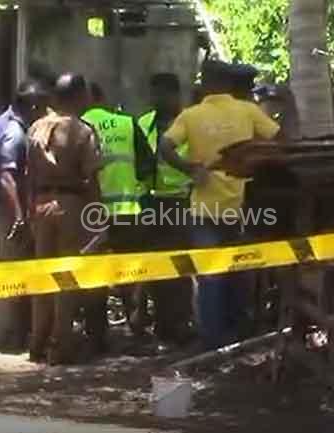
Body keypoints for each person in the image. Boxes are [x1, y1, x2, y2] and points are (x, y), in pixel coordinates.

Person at [159, 59, 281, 350]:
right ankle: (238, 333)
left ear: (205, 83)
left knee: (210, 276)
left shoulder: (191, 115)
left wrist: (190, 169)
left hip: (203, 208)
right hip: (241, 206)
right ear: (228, 84)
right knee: (240, 270)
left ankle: (212, 339)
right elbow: (280, 139)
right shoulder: (248, 110)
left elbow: (164, 146)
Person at [27, 73, 106, 364]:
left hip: (40, 204)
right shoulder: (82, 131)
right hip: (70, 205)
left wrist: (30, 208)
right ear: (78, 97)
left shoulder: (36, 127)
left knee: (43, 276)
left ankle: (37, 342)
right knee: (66, 278)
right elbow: (91, 177)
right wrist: (97, 217)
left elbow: (28, 174)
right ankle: (59, 345)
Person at [82, 83, 155, 337]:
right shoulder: (126, 123)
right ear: (102, 98)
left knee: (93, 275)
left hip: (90, 215)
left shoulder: (77, 125)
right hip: (127, 210)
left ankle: (96, 335)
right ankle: (137, 331)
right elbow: (147, 168)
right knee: (131, 273)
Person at [0, 79, 48, 352]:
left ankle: (4, 332)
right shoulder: (14, 132)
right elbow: (7, 177)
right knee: (13, 270)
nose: (43, 113)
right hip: (8, 209)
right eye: (41, 107)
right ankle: (3, 335)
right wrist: (20, 217)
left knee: (9, 266)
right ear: (32, 106)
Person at [137, 73, 194, 346]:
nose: (157, 99)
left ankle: (181, 324)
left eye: (162, 94)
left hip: (181, 201)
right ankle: (162, 323)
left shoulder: (190, 123)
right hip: (151, 203)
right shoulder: (144, 123)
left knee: (181, 268)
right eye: (154, 94)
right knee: (156, 267)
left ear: (174, 95)